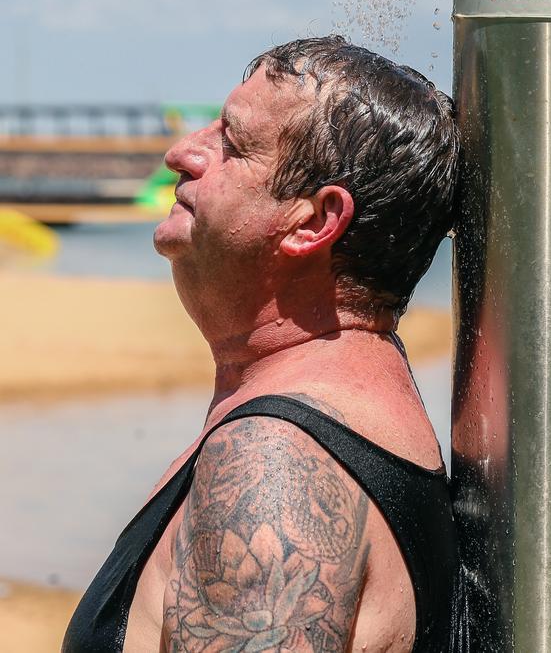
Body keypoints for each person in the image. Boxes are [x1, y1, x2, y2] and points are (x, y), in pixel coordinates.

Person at [63, 36, 461, 653]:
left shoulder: (272, 470)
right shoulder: (339, 411)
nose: (182, 153)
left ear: (315, 222)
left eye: (231, 143)